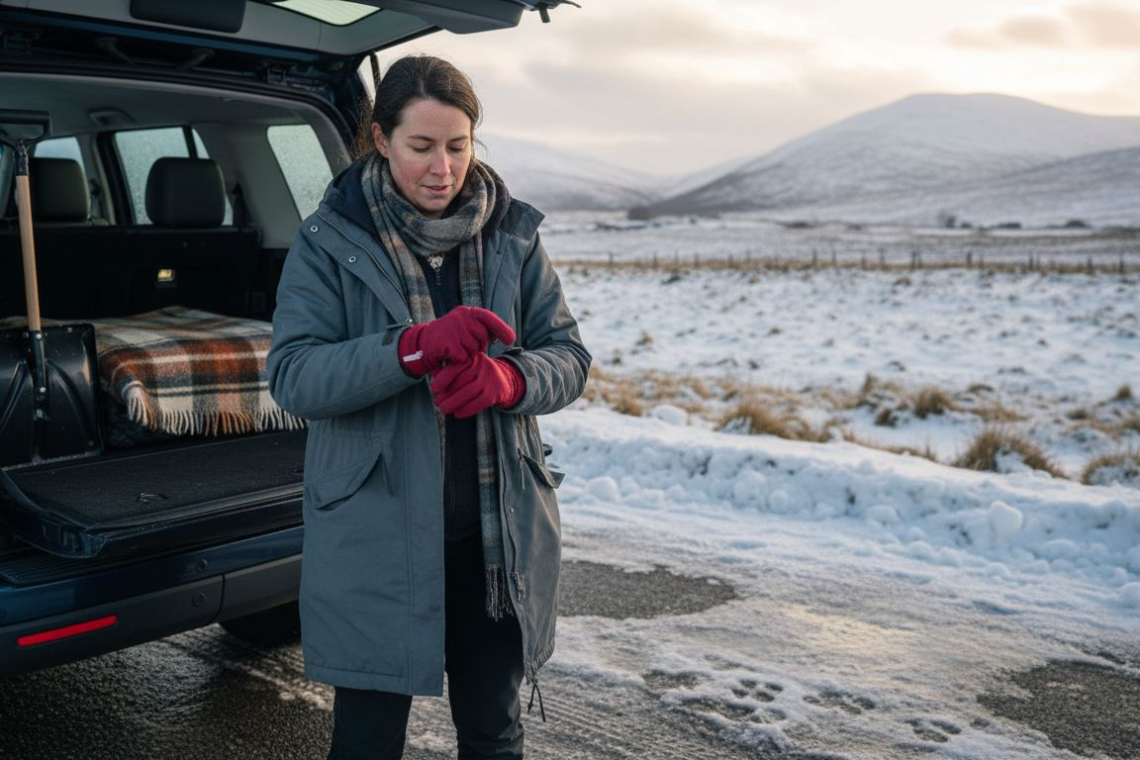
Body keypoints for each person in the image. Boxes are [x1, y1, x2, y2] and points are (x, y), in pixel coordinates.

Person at [266, 54, 590, 759]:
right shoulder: (330, 243)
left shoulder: (514, 236)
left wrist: (512, 383)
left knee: (494, 734)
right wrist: (408, 351)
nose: (443, 168)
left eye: (457, 145)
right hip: (375, 540)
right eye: (422, 147)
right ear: (381, 140)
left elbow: (569, 358)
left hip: (492, 542)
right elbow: (294, 375)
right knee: (367, 743)